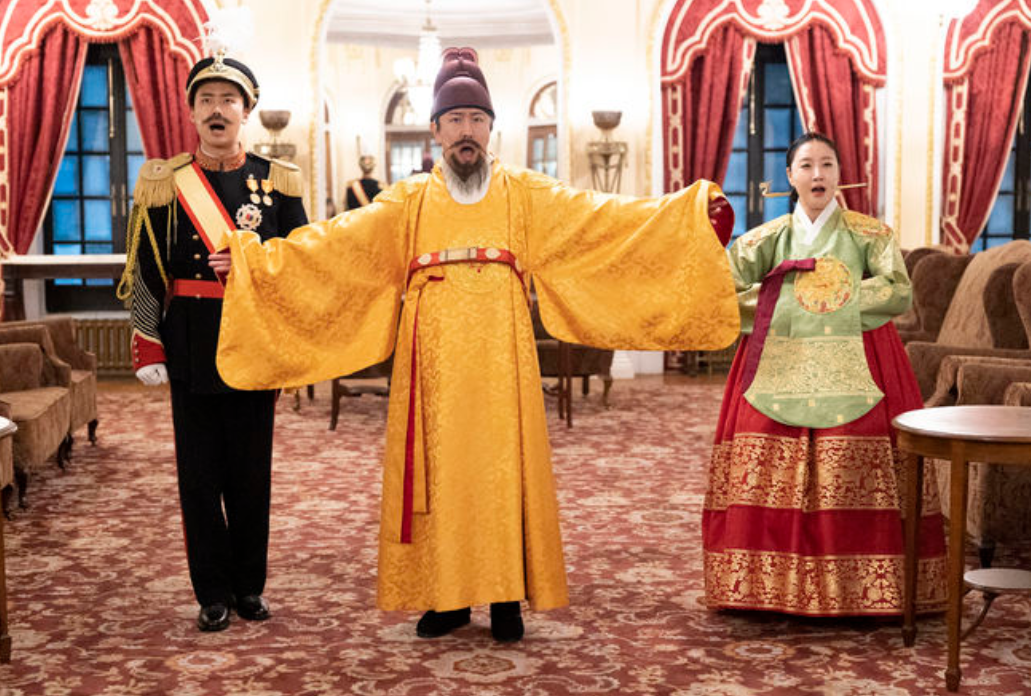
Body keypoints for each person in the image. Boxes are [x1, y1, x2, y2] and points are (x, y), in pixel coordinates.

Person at [210, 47, 739, 642]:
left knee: (502, 469)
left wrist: (688, 214)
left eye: (477, 119)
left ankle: (506, 597)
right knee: (441, 475)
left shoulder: (525, 193)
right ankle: (448, 600)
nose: (467, 131)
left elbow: (605, 221)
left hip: (503, 356)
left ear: (492, 129)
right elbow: (334, 246)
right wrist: (256, 261)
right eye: (455, 119)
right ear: (435, 130)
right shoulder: (409, 200)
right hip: (430, 361)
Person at [702, 132, 947, 616]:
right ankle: (760, 589)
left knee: (853, 458)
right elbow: (721, 289)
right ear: (789, 177)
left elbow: (898, 291)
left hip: (858, 361)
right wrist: (785, 300)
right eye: (807, 165)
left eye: (828, 164)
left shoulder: (870, 235)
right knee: (763, 452)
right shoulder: (766, 239)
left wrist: (825, 300)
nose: (818, 174)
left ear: (840, 175)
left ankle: (864, 592)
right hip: (777, 364)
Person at [116, 51, 308, 632]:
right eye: (206, 100)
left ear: (246, 111)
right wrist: (148, 341)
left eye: (228, 100)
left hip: (253, 341)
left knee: (250, 475)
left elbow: (304, 263)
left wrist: (252, 263)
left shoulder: (277, 181)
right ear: (191, 112)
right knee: (199, 478)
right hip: (191, 342)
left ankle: (249, 586)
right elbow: (144, 267)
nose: (217, 110)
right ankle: (213, 591)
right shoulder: (164, 184)